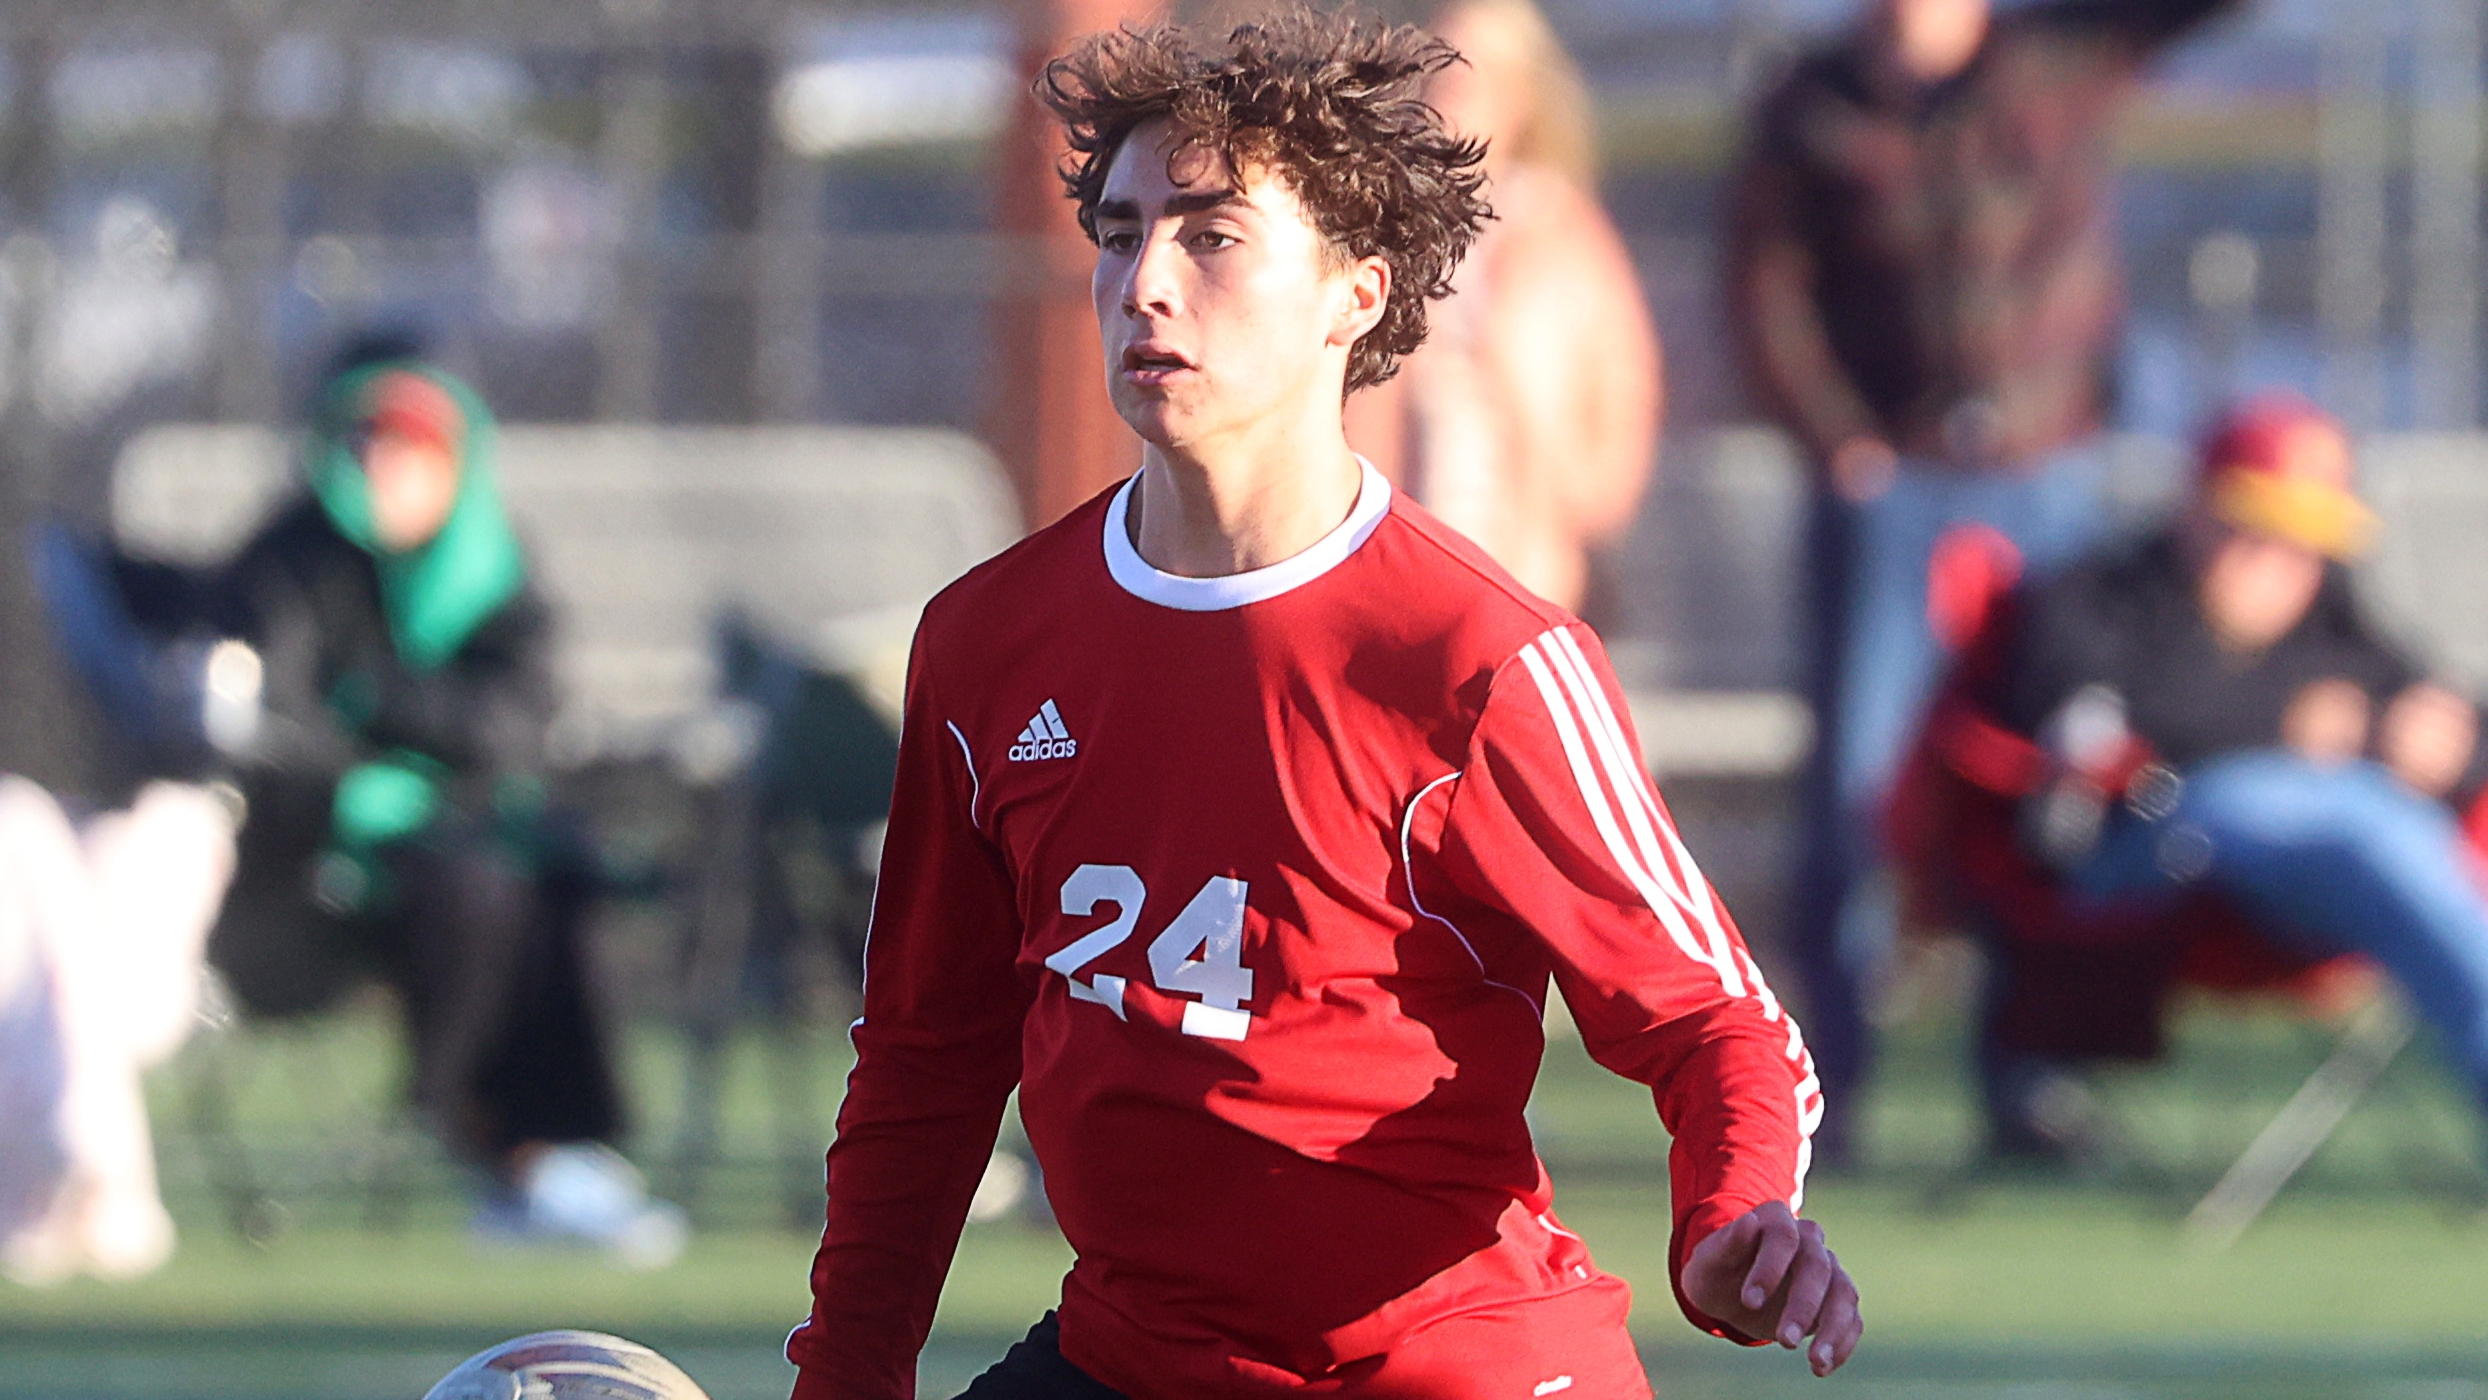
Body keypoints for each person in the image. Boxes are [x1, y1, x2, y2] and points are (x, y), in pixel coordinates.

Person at [789, 11, 1856, 1399]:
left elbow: (1716, 1022)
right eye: (1119, 235)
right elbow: (925, 1067)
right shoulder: (987, 642)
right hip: (1134, 1359)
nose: (1145, 283)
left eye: (1212, 235)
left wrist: (1731, 1221)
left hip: (1439, 1366)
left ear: (1358, 287)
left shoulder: (1477, 657)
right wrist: (843, 1375)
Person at [1725, 0, 2243, 1161]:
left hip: (2044, 477)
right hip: (1889, 486)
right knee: (1859, 788)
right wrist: (1837, 438)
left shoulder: (2055, 56)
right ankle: (1819, 1093)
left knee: (2054, 768)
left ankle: (2030, 1087)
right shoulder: (1812, 104)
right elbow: (1768, 288)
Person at [43, 339, 685, 1266]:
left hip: (469, 833)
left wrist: (385, 706)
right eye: (370, 442)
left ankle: (559, 1154)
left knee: (551, 882)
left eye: (414, 445)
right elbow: (283, 723)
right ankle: (492, 1138)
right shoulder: (291, 566)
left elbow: (512, 724)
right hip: (309, 873)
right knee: (469, 887)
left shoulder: (494, 575)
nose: (388, 467)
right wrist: (400, 744)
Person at [1898, 395, 2488, 1156]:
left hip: (2298, 902)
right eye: (2257, 531)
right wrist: (2284, 726)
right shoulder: (2101, 595)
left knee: (2367, 816)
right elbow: (2085, 735)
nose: (2279, 561)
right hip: (2137, 866)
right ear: (2198, 510)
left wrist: (2447, 745)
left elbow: (2436, 706)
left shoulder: (2327, 620)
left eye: (2304, 543)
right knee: (2347, 815)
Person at [1342, 0, 1660, 615]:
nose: (1452, 94)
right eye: (1439, 73)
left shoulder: (1563, 236)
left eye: (1476, 75)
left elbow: (1623, 392)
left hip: (1523, 565)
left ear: (1522, 95)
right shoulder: (1374, 233)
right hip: (1391, 560)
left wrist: (1578, 491)